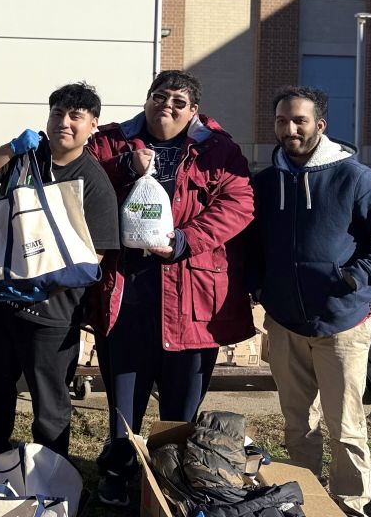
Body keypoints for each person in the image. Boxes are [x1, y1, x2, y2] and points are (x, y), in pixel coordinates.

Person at [86, 70, 255, 505]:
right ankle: (119, 470)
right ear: (146, 100)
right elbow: (82, 178)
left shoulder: (219, 150)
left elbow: (238, 204)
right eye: (160, 97)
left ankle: (167, 479)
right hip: (127, 293)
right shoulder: (113, 142)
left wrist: (185, 240)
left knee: (181, 405)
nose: (168, 106)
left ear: (193, 110)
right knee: (124, 400)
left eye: (179, 102)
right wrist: (125, 167)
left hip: (192, 295)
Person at [252, 86, 371, 517]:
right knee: (297, 425)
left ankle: (349, 505)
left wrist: (359, 275)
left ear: (319, 125)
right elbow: (251, 245)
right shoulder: (265, 182)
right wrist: (258, 286)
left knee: (346, 427)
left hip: (341, 325)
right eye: (282, 121)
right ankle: (304, 500)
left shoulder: (355, 178)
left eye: (299, 121)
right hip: (285, 324)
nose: (290, 129)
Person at [0, 82, 119, 463]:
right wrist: (10, 148)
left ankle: (51, 470)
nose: (64, 122)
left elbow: (97, 253)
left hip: (53, 311)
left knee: (49, 400)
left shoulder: (93, 181)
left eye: (75, 116)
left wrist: (44, 282)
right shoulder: (25, 157)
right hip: (3, 300)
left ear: (93, 125)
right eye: (57, 114)